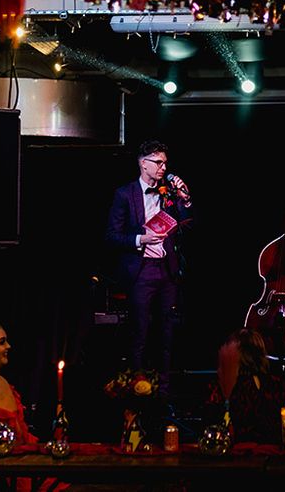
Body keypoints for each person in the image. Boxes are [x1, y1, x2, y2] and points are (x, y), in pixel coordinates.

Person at [105, 139, 195, 396]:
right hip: (141, 269)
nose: (163, 168)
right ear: (143, 164)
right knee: (140, 331)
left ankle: (164, 389)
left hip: (166, 269)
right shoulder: (125, 194)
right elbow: (111, 236)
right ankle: (138, 388)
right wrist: (139, 239)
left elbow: (189, 222)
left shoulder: (168, 192)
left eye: (165, 162)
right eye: (158, 162)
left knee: (166, 331)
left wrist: (185, 198)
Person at [204, 327, 285, 444]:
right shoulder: (276, 384)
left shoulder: (226, 385)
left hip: (237, 452)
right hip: (268, 451)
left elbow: (210, 421)